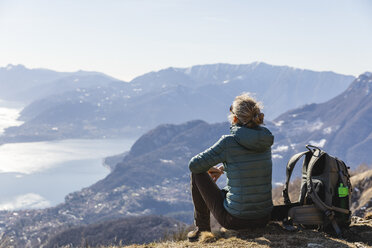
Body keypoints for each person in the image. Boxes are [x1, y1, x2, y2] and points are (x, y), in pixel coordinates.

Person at [187, 93, 274, 241]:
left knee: (197, 174)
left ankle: (202, 230)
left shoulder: (228, 143)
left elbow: (194, 165)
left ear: (234, 118)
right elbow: (248, 166)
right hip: (264, 217)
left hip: (236, 220)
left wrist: (210, 167)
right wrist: (224, 167)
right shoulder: (264, 141)